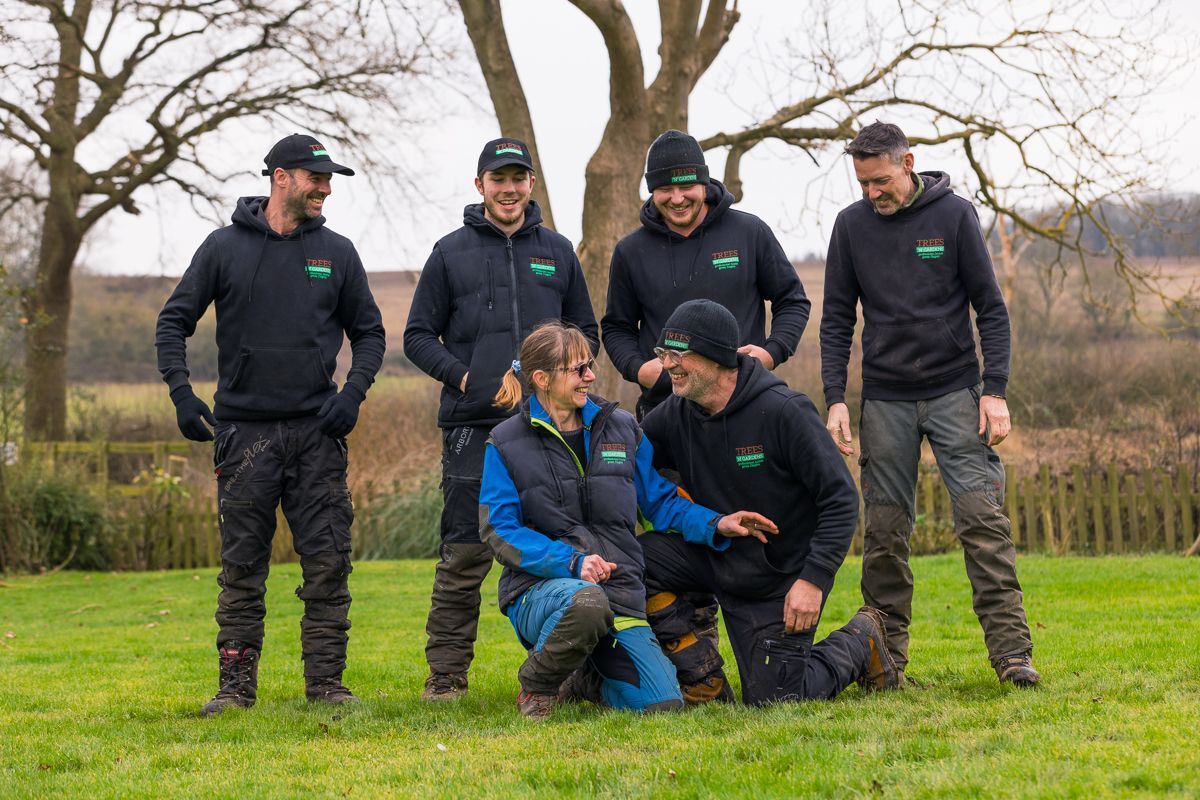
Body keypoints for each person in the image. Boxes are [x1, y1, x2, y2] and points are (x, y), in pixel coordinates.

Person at [155, 133, 385, 715]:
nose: (326, 189)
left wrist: (352, 394)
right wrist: (182, 395)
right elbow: (173, 321)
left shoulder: (337, 251)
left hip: (317, 433)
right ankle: (235, 688)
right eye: (317, 178)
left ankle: (327, 684)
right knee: (242, 568)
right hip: (244, 436)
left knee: (329, 561)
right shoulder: (223, 248)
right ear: (281, 177)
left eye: (330, 180)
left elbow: (371, 333)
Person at [820, 121, 1039, 686]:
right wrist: (835, 399)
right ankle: (885, 662)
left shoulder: (954, 216)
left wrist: (995, 391)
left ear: (909, 162)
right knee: (886, 536)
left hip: (955, 391)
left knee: (981, 520)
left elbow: (990, 308)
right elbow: (838, 319)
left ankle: (1013, 657)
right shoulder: (850, 228)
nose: (873, 193)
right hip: (886, 399)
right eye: (864, 183)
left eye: (882, 180)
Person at [479, 322, 778, 719]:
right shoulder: (504, 442)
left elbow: (661, 502)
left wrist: (717, 523)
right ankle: (538, 683)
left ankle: (582, 676)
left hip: (619, 594)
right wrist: (570, 563)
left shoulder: (620, 428)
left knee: (662, 704)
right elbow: (498, 530)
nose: (591, 375)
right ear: (542, 379)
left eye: (590, 365)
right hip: (542, 592)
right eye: (578, 369)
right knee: (586, 603)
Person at [403, 137, 598, 702]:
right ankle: (446, 675)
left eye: (518, 177)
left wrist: (563, 386)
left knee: (554, 544)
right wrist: (468, 380)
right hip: (474, 426)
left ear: (531, 184)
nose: (508, 188)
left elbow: (587, 332)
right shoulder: (450, 252)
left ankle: (557, 670)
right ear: (480, 184)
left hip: (549, 428)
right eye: (498, 178)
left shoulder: (558, 252)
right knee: (465, 551)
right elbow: (417, 336)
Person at [638, 299, 899, 705]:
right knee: (634, 560)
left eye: (677, 355)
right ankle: (700, 675)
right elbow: (625, 451)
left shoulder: (784, 412)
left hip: (775, 580)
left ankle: (861, 641)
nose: (667, 364)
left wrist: (812, 581)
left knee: (777, 699)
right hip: (713, 552)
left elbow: (841, 499)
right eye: (663, 353)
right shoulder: (675, 414)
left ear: (716, 358)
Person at [602, 128, 811, 420]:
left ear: (703, 182)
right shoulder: (631, 250)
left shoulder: (749, 232)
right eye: (665, 189)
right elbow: (617, 327)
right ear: (652, 190)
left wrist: (769, 353)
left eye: (686, 186)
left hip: (745, 401)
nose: (677, 199)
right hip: (665, 408)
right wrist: (639, 369)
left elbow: (792, 301)